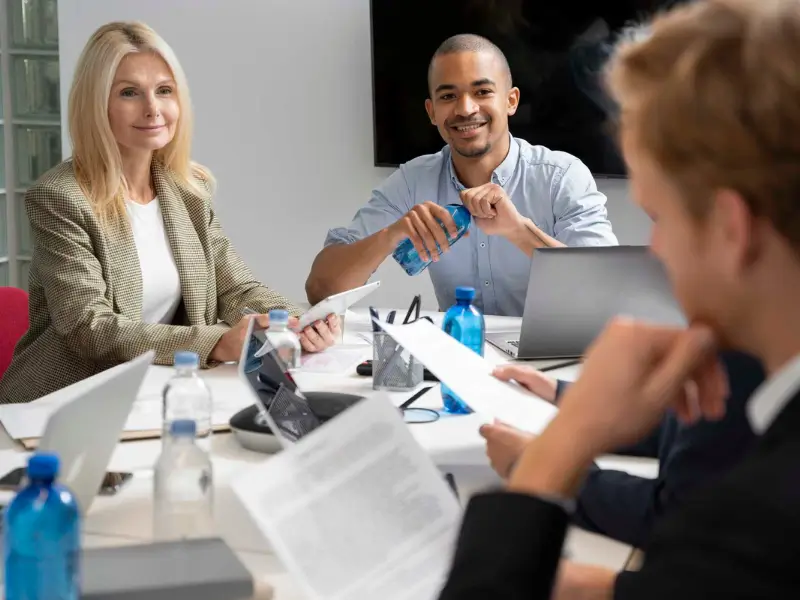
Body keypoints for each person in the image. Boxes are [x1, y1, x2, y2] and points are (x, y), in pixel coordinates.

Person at [437, 1, 800, 598]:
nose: (656, 251)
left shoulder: (763, 514)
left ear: (732, 230)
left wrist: (555, 456)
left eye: (659, 217)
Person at [0, 22, 338, 404]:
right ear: (96, 105)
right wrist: (218, 343)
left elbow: (234, 287)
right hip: (64, 402)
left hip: (152, 391)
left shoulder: (188, 189)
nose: (152, 109)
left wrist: (296, 321)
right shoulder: (60, 197)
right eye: (129, 93)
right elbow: (88, 327)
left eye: (164, 91)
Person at [306, 34, 618, 318]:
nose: (465, 109)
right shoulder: (412, 181)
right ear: (431, 112)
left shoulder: (561, 177)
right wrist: (391, 235)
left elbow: (607, 292)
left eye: (482, 91)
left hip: (554, 361)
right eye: (448, 96)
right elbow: (321, 290)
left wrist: (519, 231)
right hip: (457, 357)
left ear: (511, 101)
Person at [480, 351, 764, 548]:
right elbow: (683, 426)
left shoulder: (745, 356)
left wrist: (544, 466)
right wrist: (566, 396)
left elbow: (677, 515)